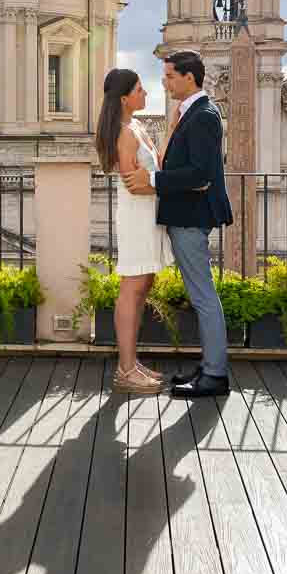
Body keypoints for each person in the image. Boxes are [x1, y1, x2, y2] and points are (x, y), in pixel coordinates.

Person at [123, 50, 233, 398]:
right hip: (185, 215)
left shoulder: (203, 115)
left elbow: (200, 174)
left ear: (190, 77)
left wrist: (153, 181)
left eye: (170, 76)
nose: (164, 82)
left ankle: (215, 375)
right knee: (202, 295)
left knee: (203, 297)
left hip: (190, 217)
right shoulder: (193, 113)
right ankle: (209, 367)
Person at [95, 68, 174, 395]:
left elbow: (153, 173)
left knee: (143, 286)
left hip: (150, 215)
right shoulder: (124, 133)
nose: (146, 95)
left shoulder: (138, 126)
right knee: (132, 287)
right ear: (125, 97)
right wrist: (169, 188)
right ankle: (125, 370)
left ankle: (132, 362)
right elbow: (134, 183)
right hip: (137, 217)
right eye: (140, 90)